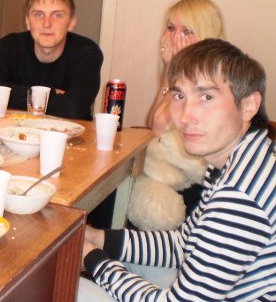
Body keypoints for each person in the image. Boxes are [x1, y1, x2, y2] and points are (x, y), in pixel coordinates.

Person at [79, 39, 276, 301]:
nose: (185, 116)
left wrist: (92, 258)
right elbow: (183, 244)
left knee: (72, 290)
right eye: (179, 96)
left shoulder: (239, 196)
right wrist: (99, 238)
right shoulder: (241, 158)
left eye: (206, 97)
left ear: (248, 105)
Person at [0, 0, 103, 120]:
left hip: (70, 132)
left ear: (71, 22)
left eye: (57, 15)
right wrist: (50, 93)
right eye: (38, 14)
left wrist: (11, 95)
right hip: (16, 130)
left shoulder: (87, 52)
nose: (47, 23)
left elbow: (73, 108)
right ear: (27, 21)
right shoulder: (10, 46)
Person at [146, 0, 225, 136]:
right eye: (171, 28)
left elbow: (162, 128)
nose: (175, 38)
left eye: (187, 31)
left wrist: (175, 67)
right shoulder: (177, 72)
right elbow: (152, 125)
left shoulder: (216, 78)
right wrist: (169, 72)